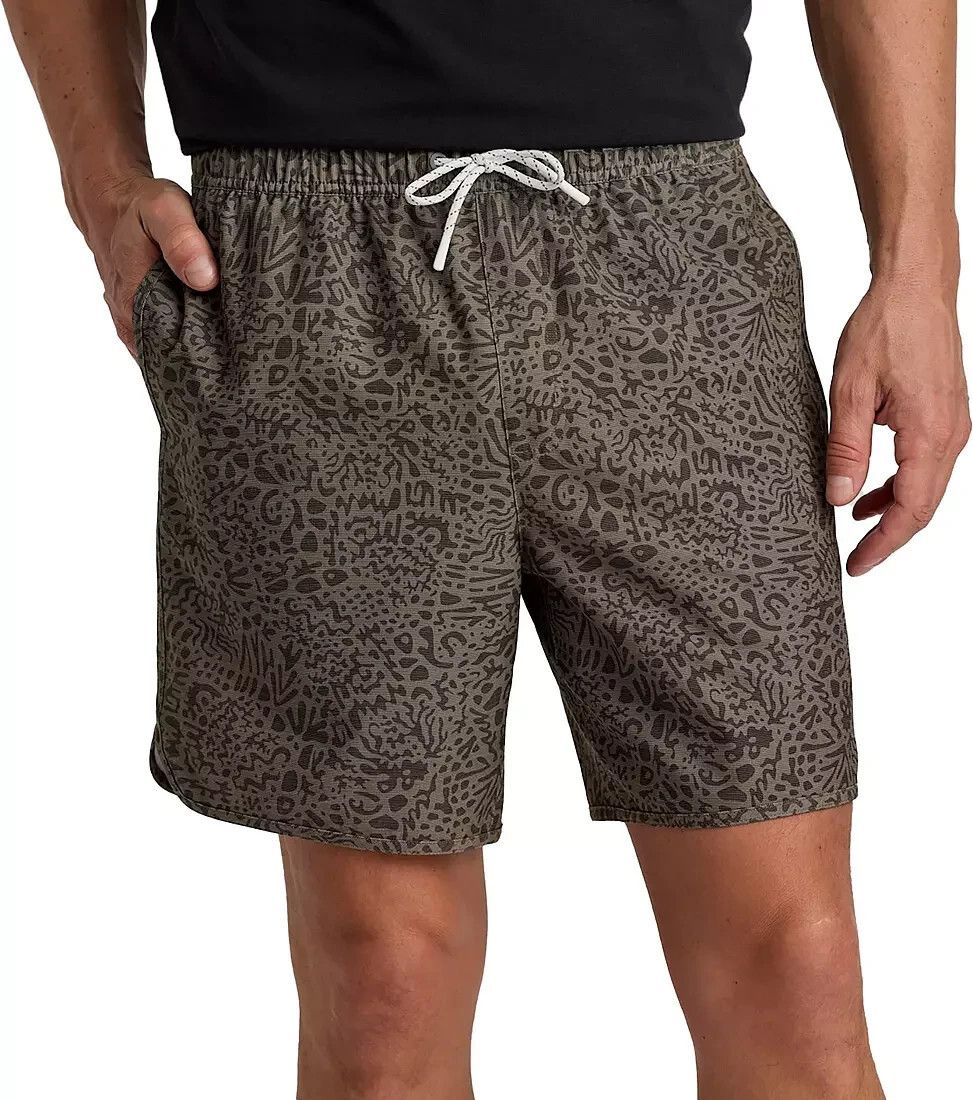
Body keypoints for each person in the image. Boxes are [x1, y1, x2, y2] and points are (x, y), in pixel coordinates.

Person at [5, 0, 967, 1096]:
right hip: (311, 264)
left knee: (796, 967)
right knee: (384, 982)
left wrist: (918, 273)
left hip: (676, 261)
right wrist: (100, 180)